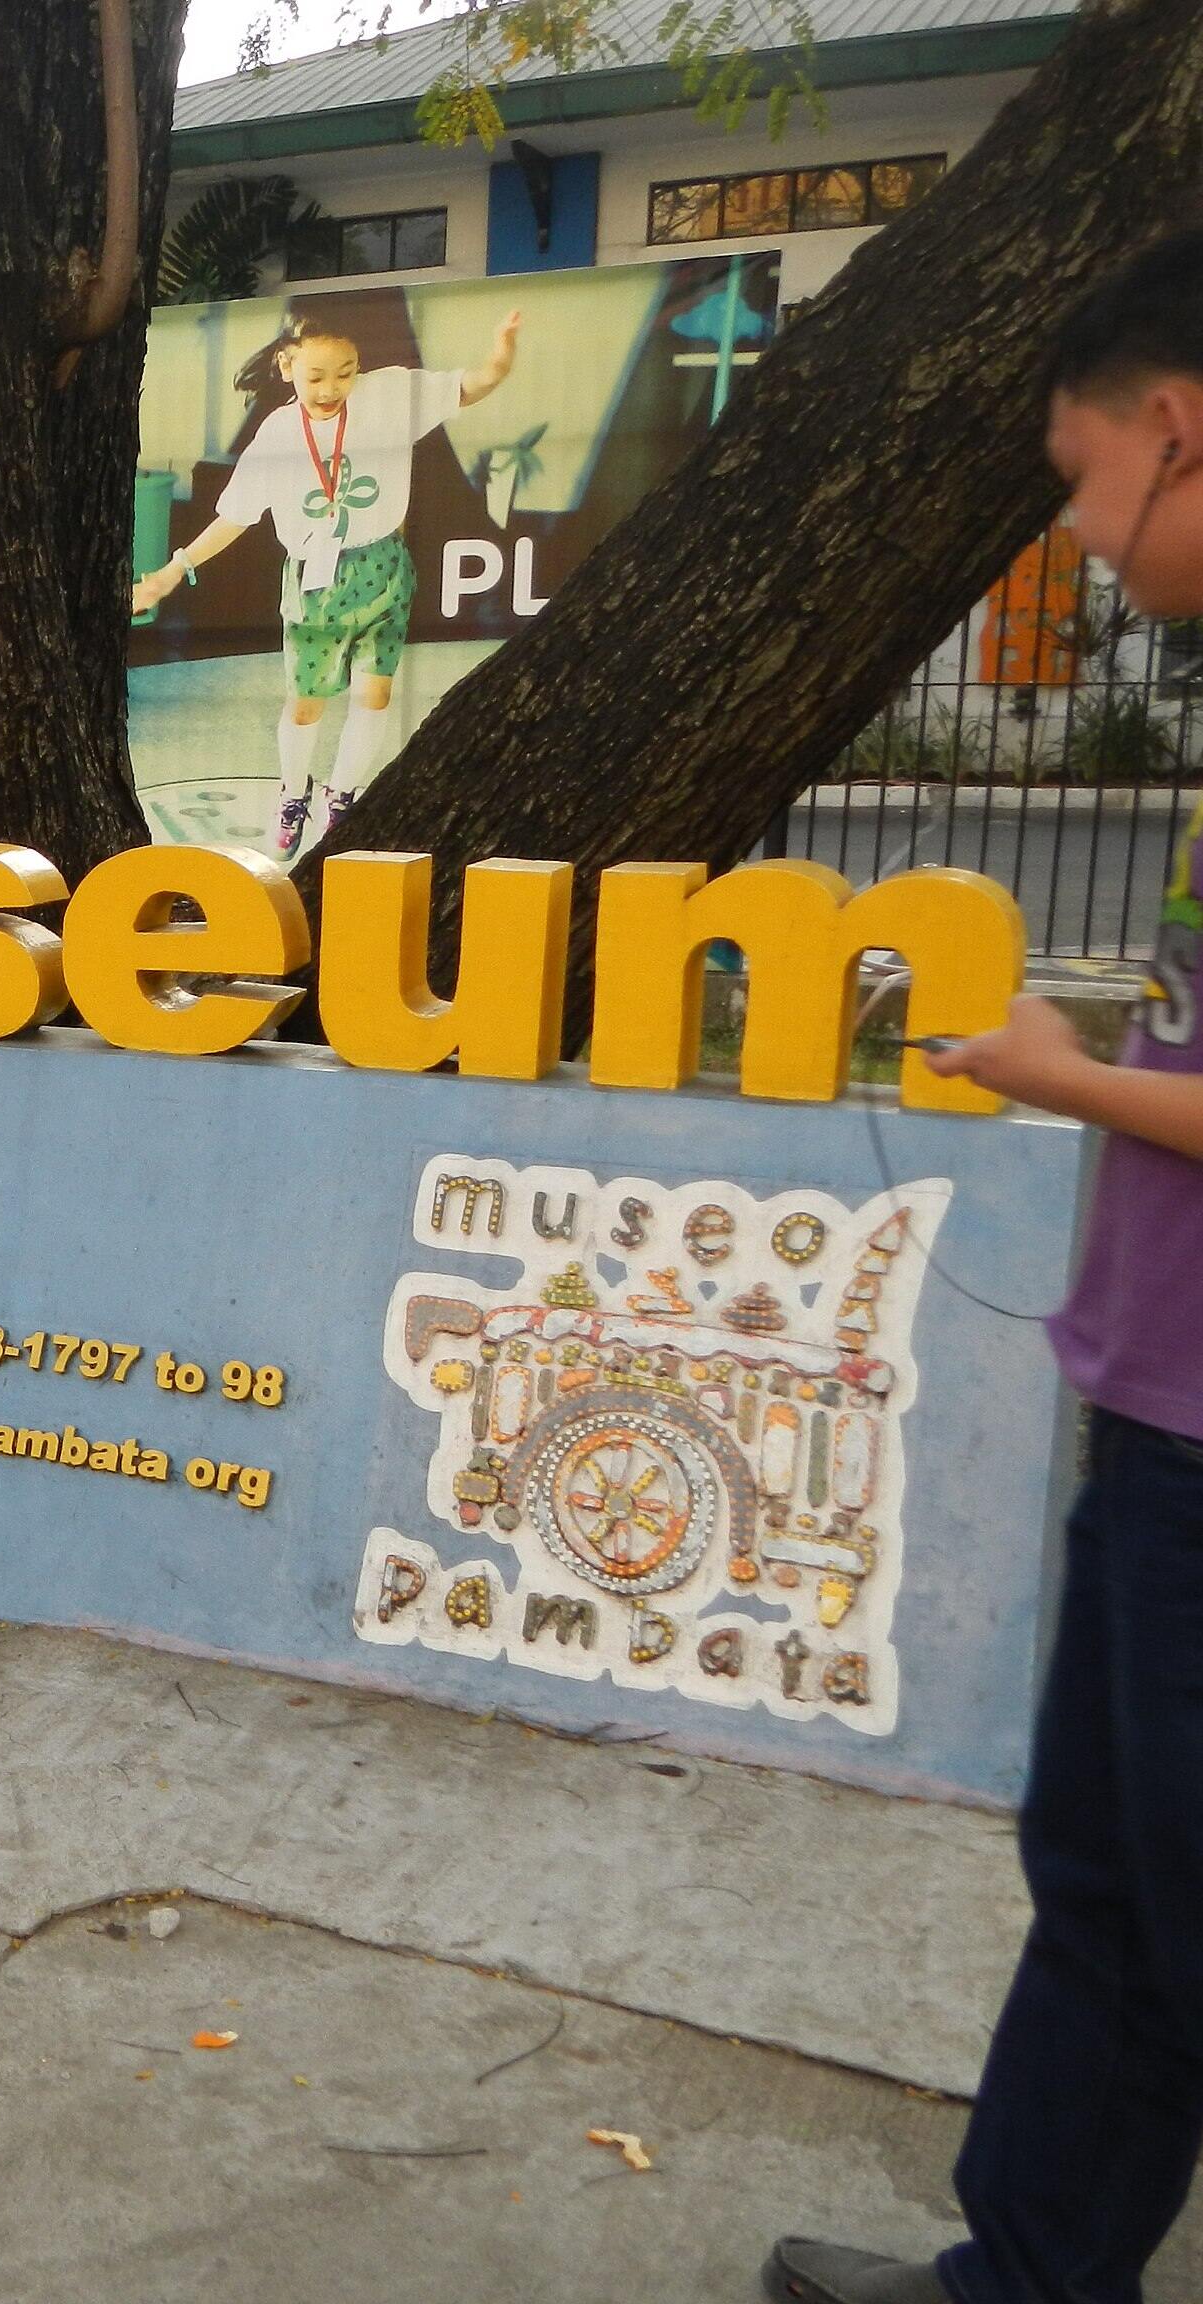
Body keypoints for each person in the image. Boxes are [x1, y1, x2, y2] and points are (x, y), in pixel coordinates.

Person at [765, 227, 1203, 2304]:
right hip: (1162, 1416)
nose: (1085, 529)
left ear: (1177, 429)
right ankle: (1022, 2281)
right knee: (1111, 1887)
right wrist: (1100, 1049)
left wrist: (1054, 1073)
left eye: (1083, 472)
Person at [132, 307, 522, 862]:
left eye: (346, 371)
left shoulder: (389, 396)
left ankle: (342, 796)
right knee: (305, 705)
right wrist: (174, 570)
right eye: (317, 376)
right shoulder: (276, 434)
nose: (332, 387)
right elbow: (236, 517)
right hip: (316, 580)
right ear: (287, 366)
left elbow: (475, 385)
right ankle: (293, 795)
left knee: (375, 692)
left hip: (384, 568)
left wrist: (501, 352)